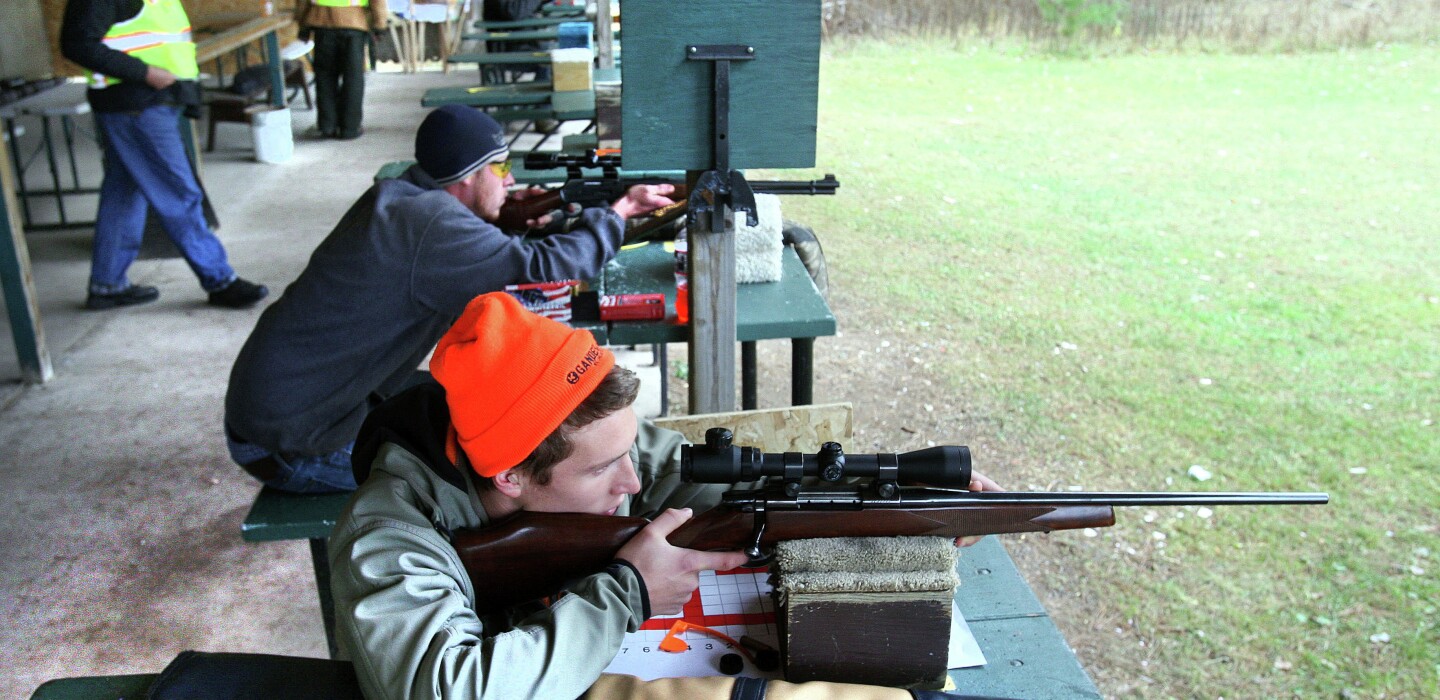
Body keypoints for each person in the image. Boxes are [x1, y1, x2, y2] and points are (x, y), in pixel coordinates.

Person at [330, 292, 1002, 699]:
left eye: (628, 450)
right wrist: (627, 593)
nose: (631, 483)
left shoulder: (588, 434)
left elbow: (723, 488)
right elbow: (454, 690)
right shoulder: (386, 537)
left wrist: (883, 500)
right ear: (510, 475)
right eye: (603, 471)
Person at [224, 105, 675, 494]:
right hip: (294, 443)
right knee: (500, 478)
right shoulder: (430, 223)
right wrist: (619, 213)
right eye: (500, 167)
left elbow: (449, 249)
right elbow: (550, 269)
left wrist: (505, 220)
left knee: (485, 416)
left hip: (288, 406)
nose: (511, 178)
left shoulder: (403, 198)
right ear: (466, 175)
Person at [59, 0, 269, 310]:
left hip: (146, 103)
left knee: (124, 193)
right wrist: (145, 73)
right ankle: (220, 280)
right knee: (178, 193)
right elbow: (78, 44)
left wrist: (183, 89)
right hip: (138, 105)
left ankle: (108, 284)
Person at [296, 0, 389, 140]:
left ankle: (327, 126)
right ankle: (350, 128)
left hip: (323, 23)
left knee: (325, 77)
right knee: (353, 78)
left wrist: (303, 23)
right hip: (355, 24)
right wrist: (380, 24)